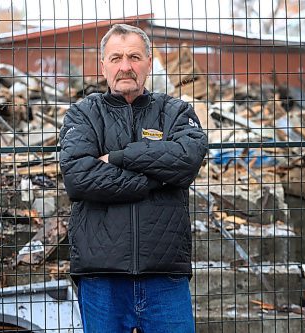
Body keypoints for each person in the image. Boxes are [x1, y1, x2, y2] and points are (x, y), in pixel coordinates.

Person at [59, 23, 208, 333]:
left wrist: (118, 157)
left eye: (134, 57)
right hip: (102, 277)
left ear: (149, 62)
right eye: (116, 58)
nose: (125, 67)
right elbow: (78, 177)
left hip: (164, 276)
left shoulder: (176, 112)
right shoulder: (83, 114)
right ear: (103, 65)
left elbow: (187, 160)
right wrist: (156, 178)